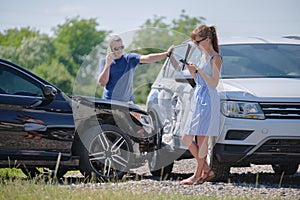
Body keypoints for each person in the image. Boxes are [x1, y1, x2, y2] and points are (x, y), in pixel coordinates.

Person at [179, 25, 222, 185]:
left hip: (209, 99)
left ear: (207, 40)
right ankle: (206, 169)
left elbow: (214, 83)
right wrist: (193, 73)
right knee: (186, 137)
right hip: (199, 97)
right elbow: (201, 82)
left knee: (201, 138)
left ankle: (197, 175)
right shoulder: (203, 57)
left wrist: (200, 71)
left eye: (198, 42)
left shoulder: (215, 58)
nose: (196, 45)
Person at [98, 35, 174, 102]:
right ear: (110, 49)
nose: (120, 50)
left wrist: (166, 54)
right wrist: (108, 65)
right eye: (116, 48)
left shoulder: (129, 58)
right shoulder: (104, 62)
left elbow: (148, 58)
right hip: (109, 102)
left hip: (127, 103)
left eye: (121, 47)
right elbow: (102, 83)